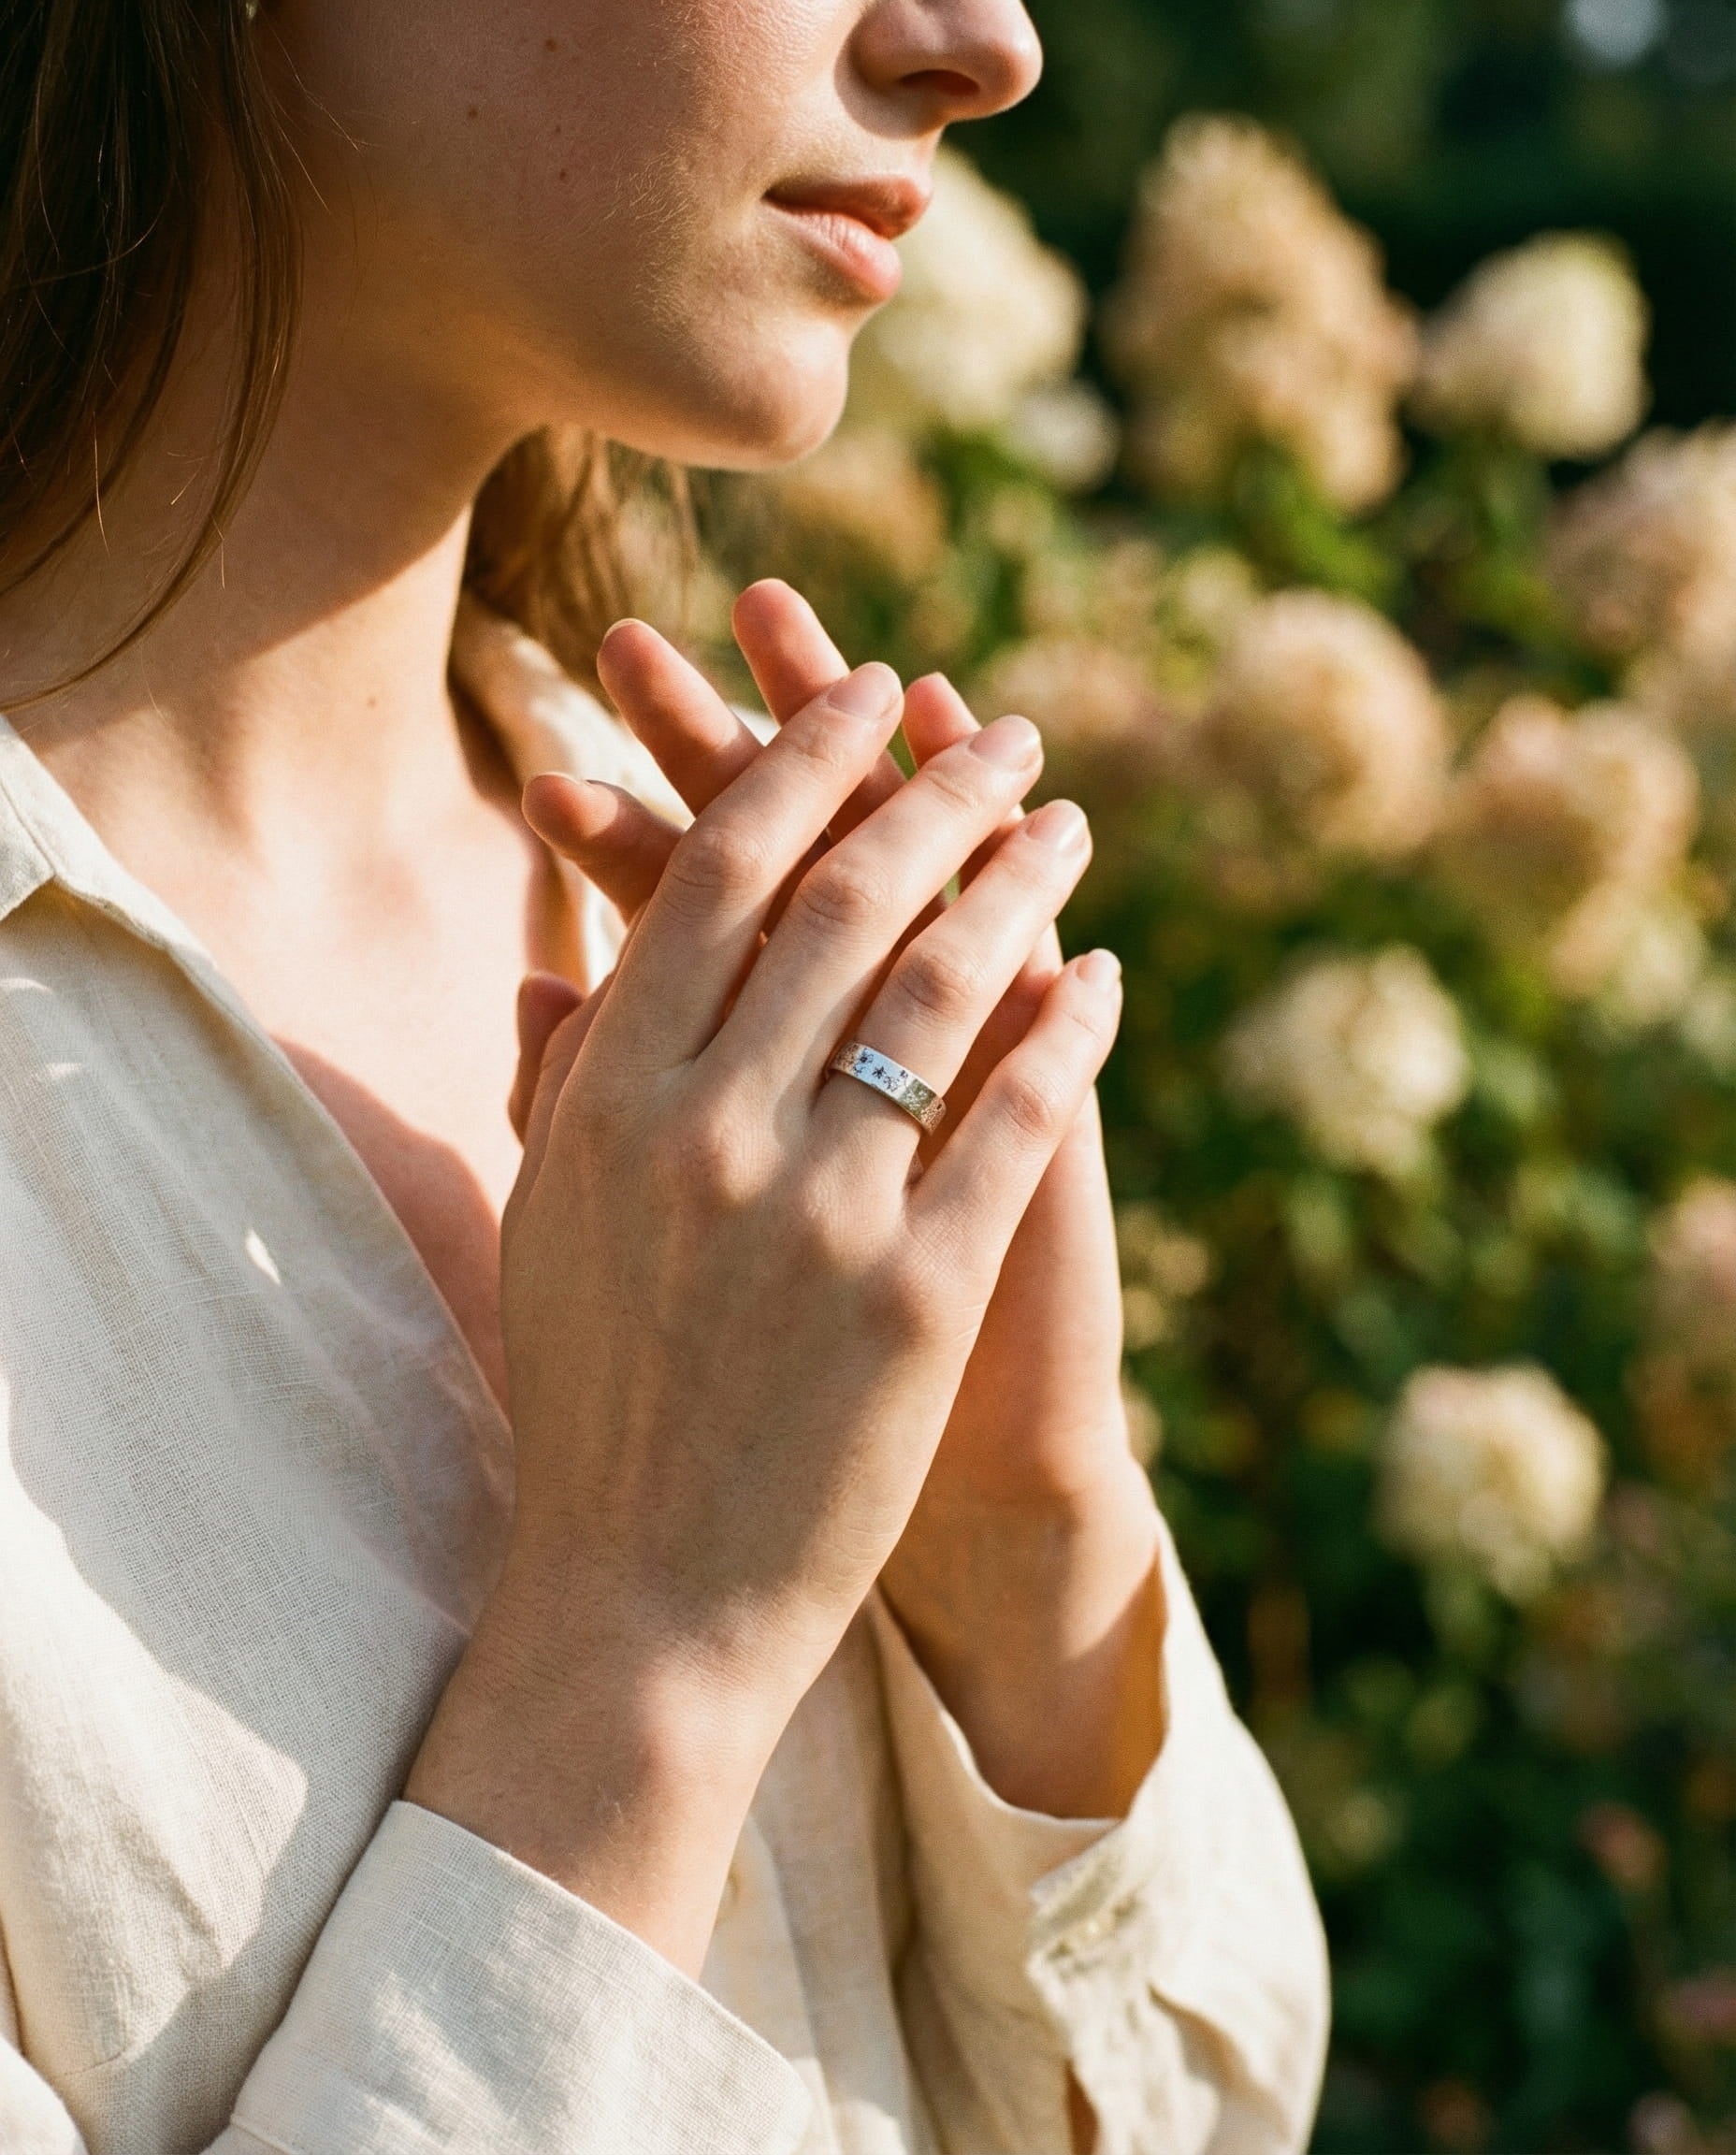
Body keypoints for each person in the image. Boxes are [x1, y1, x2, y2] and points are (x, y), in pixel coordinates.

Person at [0, 3, 1328, 2150]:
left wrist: (1022, 1541)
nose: (982, 43)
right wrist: (650, 1659)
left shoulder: (730, 967)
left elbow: (1208, 2105)